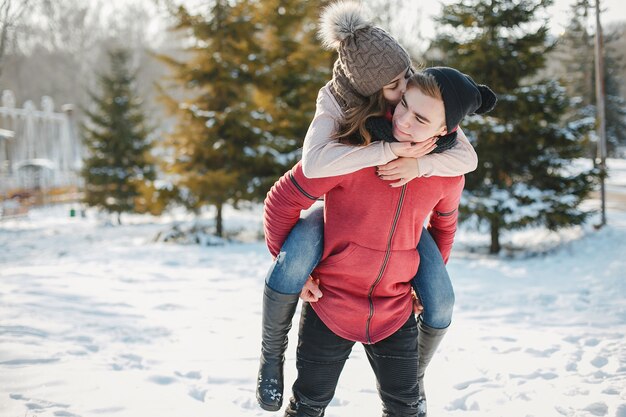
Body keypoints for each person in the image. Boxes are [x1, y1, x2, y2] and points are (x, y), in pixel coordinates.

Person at [256, 1, 478, 412]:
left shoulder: (444, 163)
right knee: (308, 405)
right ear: (379, 95)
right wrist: (384, 150)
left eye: (409, 88)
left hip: (393, 311)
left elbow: (446, 219)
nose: (405, 113)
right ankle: (271, 357)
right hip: (333, 304)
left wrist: (423, 284)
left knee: (407, 403)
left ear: (445, 129)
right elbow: (289, 191)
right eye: (400, 97)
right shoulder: (346, 145)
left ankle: (419, 377)